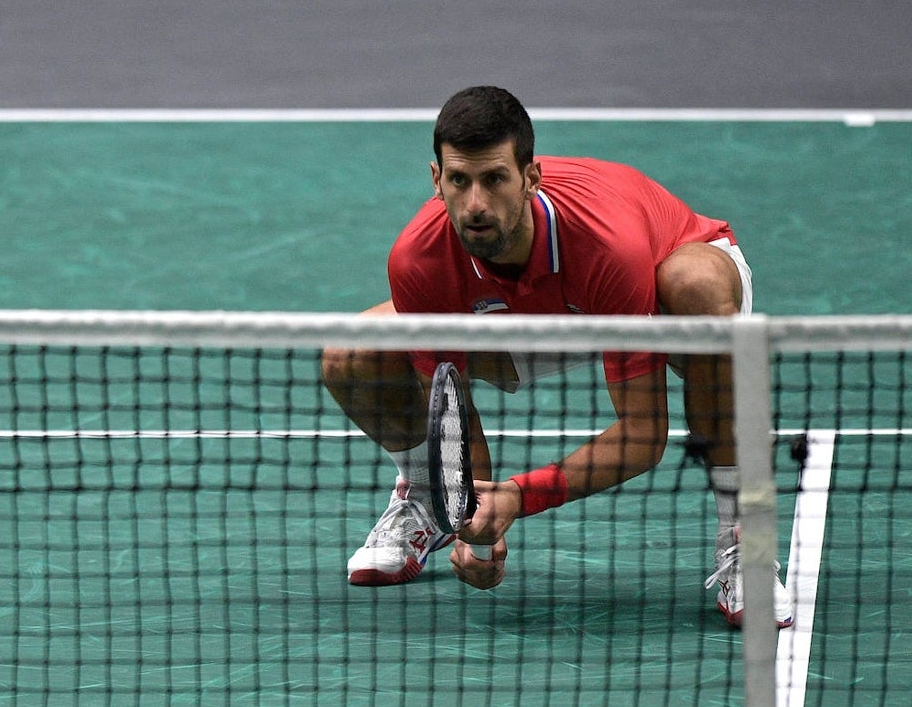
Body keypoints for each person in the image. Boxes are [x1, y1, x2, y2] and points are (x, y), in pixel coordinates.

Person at [321, 85, 792, 628]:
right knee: (354, 352)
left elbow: (644, 436)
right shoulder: (419, 260)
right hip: (534, 317)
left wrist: (519, 497)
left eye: (495, 179)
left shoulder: (608, 246)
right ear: (436, 180)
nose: (475, 204)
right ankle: (430, 501)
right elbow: (451, 406)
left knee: (696, 292)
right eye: (459, 181)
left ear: (531, 178)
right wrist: (476, 524)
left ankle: (744, 540)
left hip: (653, 290)